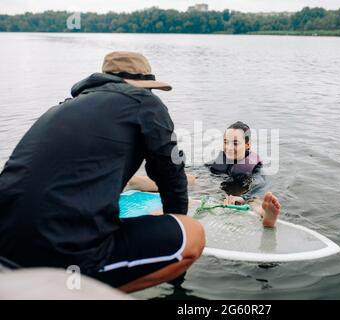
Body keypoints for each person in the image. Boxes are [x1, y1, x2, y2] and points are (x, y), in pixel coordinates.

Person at [0, 51, 205, 293]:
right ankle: (81, 293)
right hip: (63, 254)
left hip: (6, 241)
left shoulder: (60, 109)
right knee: (193, 234)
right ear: (141, 86)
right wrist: (175, 221)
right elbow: (172, 176)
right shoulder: (145, 103)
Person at [127, 121, 282, 227]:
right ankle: (135, 182)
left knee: (253, 200)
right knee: (187, 178)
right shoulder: (222, 159)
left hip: (243, 187)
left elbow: (258, 182)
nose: (228, 147)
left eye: (235, 143)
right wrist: (182, 169)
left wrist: (243, 197)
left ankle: (265, 214)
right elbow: (205, 169)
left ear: (247, 144)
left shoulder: (253, 166)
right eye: (226, 142)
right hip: (218, 183)